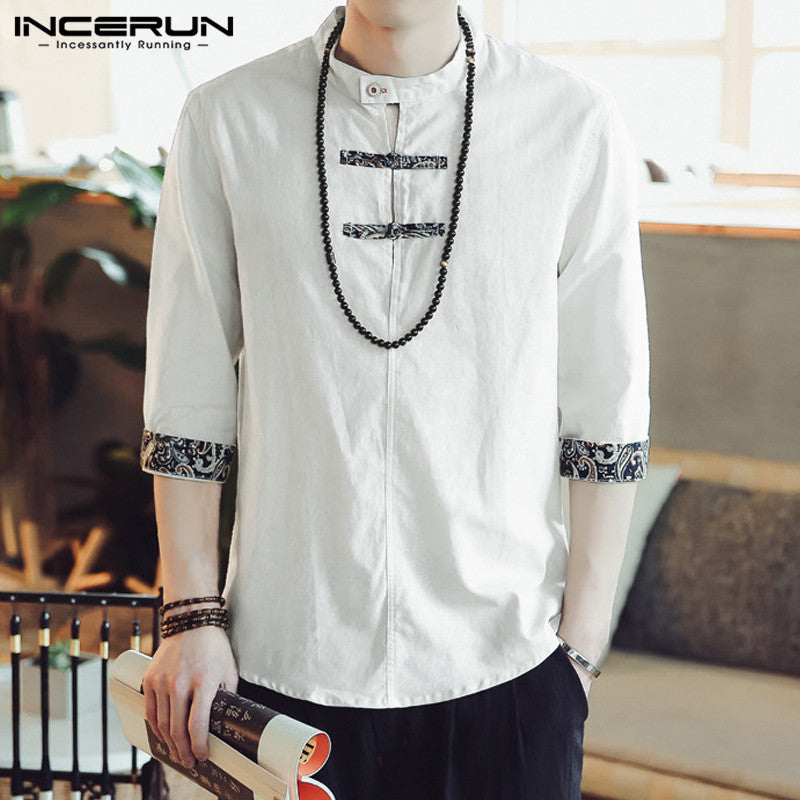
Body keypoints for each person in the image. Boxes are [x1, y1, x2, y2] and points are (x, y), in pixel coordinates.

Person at [138, 1, 651, 798]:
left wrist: (578, 651)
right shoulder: (226, 118)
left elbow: (607, 399)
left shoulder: (571, 121)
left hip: (508, 667)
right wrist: (191, 617)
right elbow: (188, 386)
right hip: (283, 657)